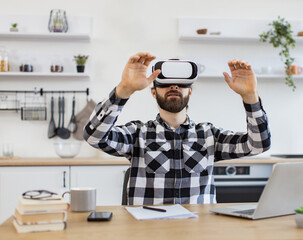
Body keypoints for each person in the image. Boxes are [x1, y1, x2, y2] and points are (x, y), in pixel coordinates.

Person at [83, 52, 271, 205]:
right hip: (147, 231)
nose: (174, 86)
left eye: (182, 83)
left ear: (191, 91)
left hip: (199, 231)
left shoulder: (210, 136)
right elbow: (94, 136)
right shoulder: (137, 134)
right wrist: (124, 89)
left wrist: (250, 96)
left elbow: (258, 145)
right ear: (153, 92)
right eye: (165, 83)